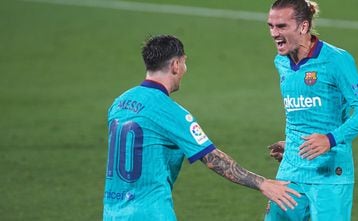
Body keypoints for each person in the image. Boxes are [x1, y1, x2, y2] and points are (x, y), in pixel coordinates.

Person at [102, 34, 300, 220]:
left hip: (112, 213)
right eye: (184, 62)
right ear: (175, 64)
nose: (185, 69)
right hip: (150, 213)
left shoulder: (119, 103)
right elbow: (213, 158)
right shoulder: (170, 111)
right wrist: (263, 184)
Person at [264, 0, 358, 220]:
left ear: (303, 27)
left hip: (330, 175)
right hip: (292, 170)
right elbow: (302, 114)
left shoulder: (336, 60)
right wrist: (294, 143)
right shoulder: (281, 62)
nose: (274, 33)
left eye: (281, 26)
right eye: (271, 26)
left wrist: (329, 139)